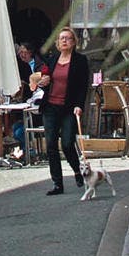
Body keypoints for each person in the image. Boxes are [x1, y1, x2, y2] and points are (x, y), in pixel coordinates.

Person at [32, 27, 90, 195]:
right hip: (51, 106)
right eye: (61, 38)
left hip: (69, 107)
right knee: (51, 145)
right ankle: (57, 183)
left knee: (67, 143)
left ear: (73, 42)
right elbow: (46, 79)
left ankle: (77, 170)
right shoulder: (52, 59)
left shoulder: (80, 60)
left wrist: (79, 105)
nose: (64, 41)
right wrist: (44, 82)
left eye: (68, 38)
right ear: (57, 42)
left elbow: (83, 86)